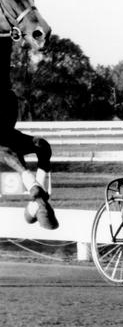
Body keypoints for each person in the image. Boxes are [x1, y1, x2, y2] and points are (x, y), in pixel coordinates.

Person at [0, 89, 59, 230]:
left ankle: (37, 201)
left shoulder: (10, 96)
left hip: (7, 136)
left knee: (42, 145)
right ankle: (36, 197)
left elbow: (8, 129)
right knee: (8, 151)